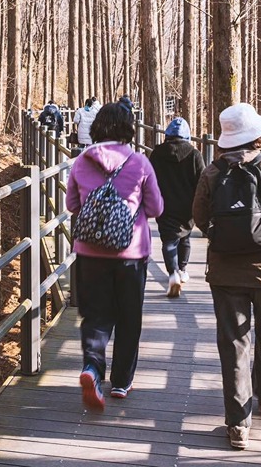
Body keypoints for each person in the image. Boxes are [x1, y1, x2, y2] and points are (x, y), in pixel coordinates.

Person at [192, 102, 261, 451]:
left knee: (234, 344)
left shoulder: (212, 173)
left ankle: (238, 424)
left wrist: (224, 236)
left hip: (226, 272)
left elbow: (199, 217)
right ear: (258, 135)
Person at [66, 103, 163, 410]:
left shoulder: (82, 161)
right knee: (129, 317)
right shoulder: (139, 162)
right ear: (128, 129)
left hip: (89, 254)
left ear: (96, 128)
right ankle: (121, 382)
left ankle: (92, 369)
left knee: (95, 315)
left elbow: (71, 204)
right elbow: (157, 208)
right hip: (130, 254)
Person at [149, 117, 205, 298]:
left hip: (164, 203)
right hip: (187, 204)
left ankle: (173, 273)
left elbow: (150, 179)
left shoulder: (157, 153)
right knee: (185, 237)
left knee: (169, 240)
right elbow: (202, 180)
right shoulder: (194, 154)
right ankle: (182, 269)